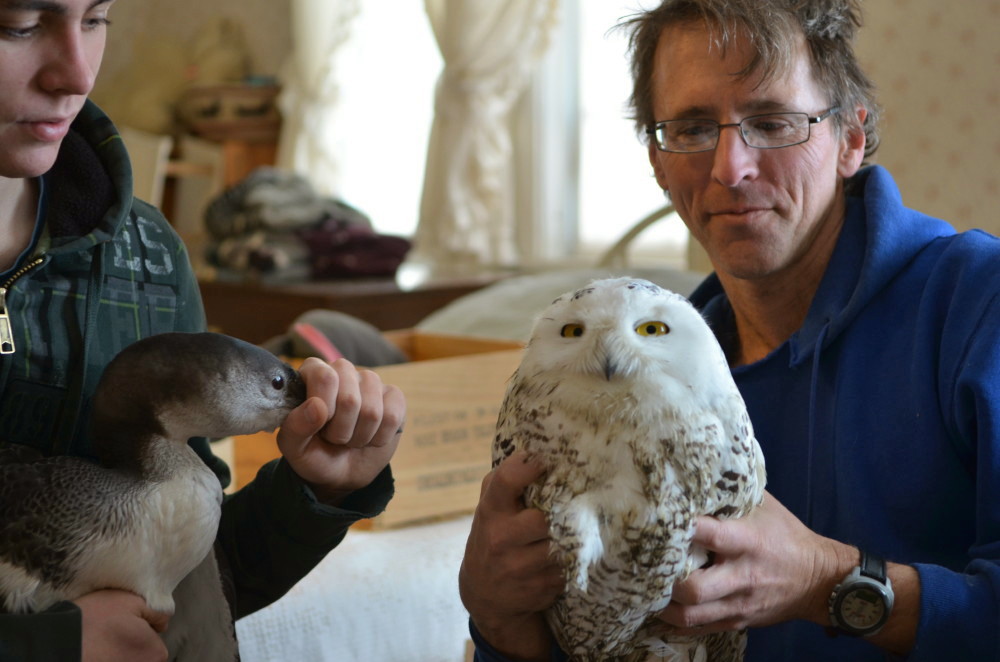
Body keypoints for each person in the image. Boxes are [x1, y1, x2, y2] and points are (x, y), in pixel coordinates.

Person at [459, 1, 1000, 660]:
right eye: (689, 128)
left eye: (772, 122)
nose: (730, 169)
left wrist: (828, 583)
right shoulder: (629, 365)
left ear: (851, 139)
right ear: (658, 162)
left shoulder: (976, 304)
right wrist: (498, 620)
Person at [0, 0, 405, 659]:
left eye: (97, 19)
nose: (76, 74)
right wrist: (43, 644)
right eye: (17, 24)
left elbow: (193, 580)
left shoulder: (147, 257)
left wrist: (315, 492)